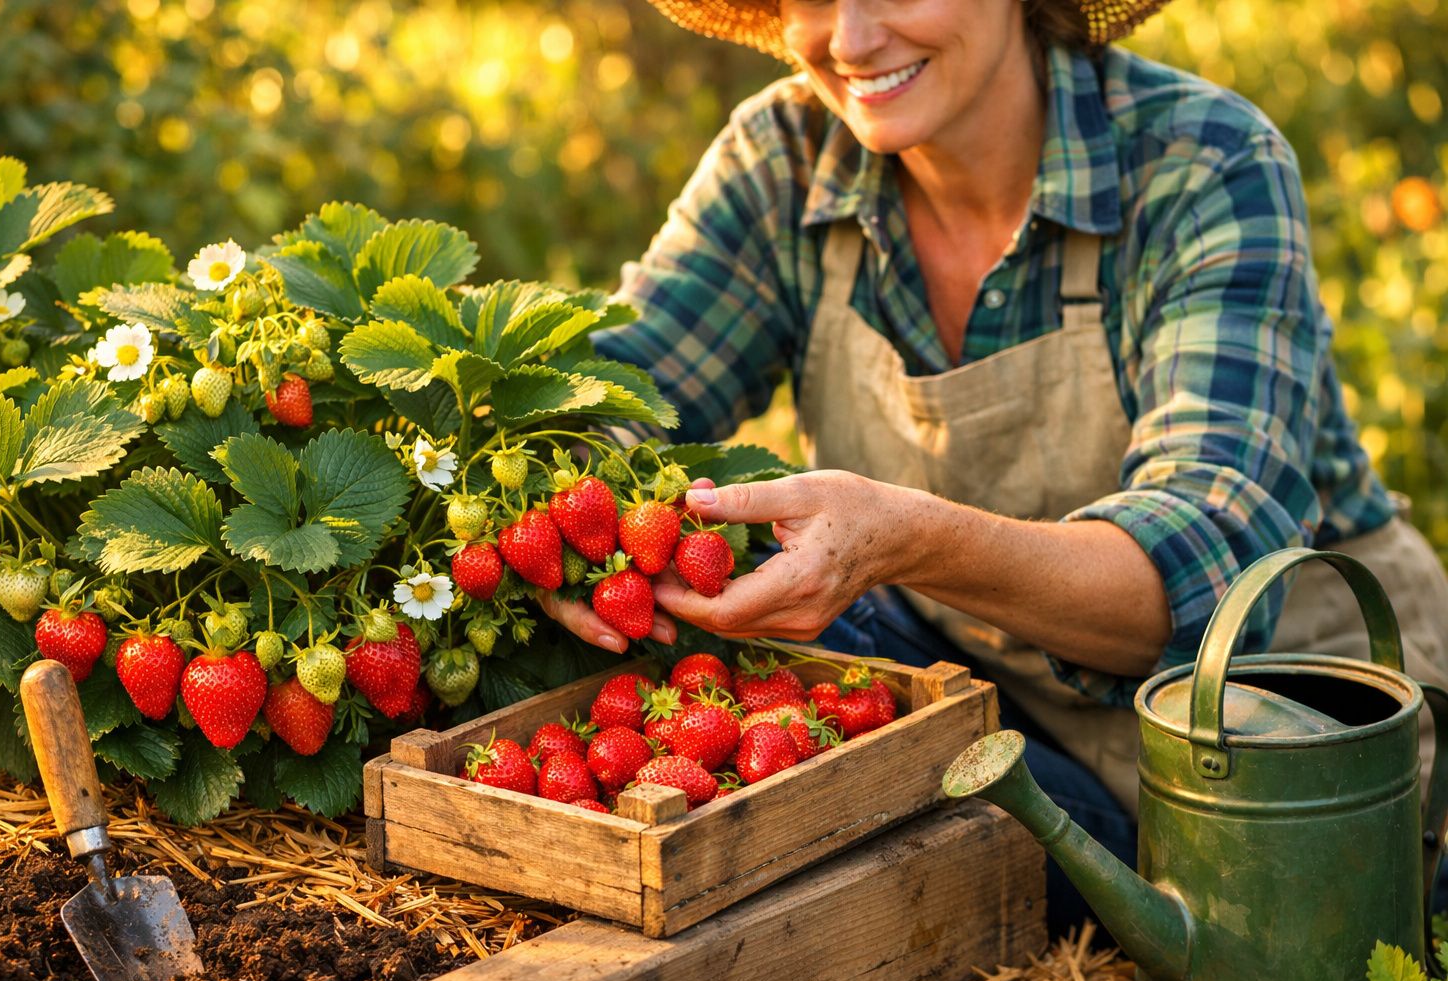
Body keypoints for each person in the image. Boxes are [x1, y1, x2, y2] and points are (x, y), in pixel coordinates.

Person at [543, 0, 1448, 934]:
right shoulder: (789, 155)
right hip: (994, 694)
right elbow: (609, 400)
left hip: (1260, 768)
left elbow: (1207, 587)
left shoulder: (1200, 163)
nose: (850, 40)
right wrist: (567, 522)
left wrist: (909, 541)